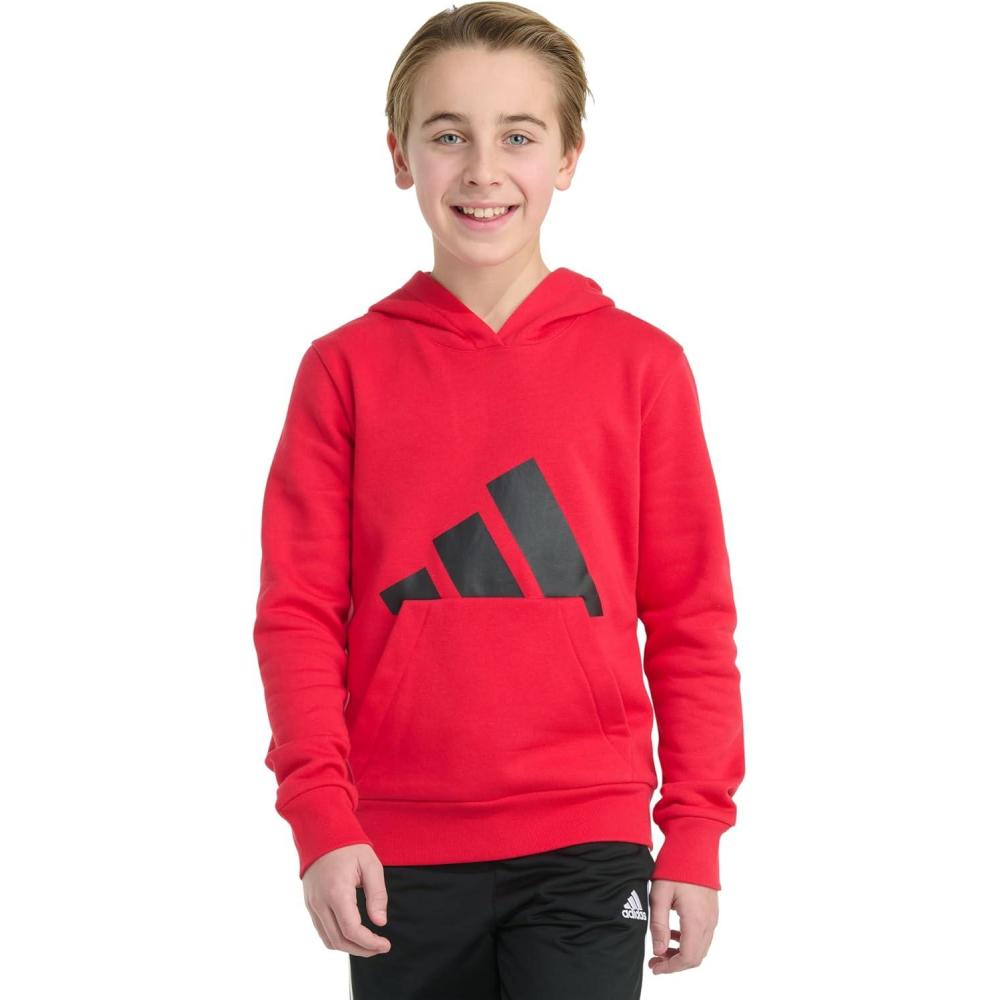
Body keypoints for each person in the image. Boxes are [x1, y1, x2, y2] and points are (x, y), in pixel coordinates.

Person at [252, 3, 745, 997]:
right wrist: (323, 819)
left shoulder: (641, 367)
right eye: (449, 135)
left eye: (518, 136)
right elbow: (297, 614)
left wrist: (694, 830)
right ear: (400, 155)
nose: (483, 170)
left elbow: (691, 616)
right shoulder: (344, 371)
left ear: (568, 157)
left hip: (588, 840)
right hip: (395, 846)